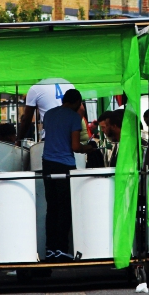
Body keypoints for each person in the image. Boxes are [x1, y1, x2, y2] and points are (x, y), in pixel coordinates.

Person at [40, 89, 95, 261]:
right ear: (77, 101)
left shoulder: (48, 114)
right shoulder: (74, 118)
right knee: (64, 207)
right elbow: (75, 146)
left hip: (47, 163)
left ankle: (50, 249)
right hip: (64, 165)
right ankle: (62, 249)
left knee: (52, 207)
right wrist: (90, 148)